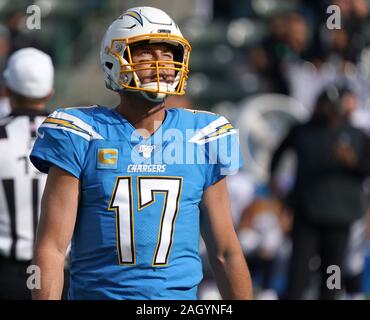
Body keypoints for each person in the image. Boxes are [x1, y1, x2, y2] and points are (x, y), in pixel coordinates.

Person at [30, 6, 253, 300]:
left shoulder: (202, 135)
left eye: (167, 53)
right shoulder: (82, 132)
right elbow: (52, 248)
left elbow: (225, 251)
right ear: (115, 60)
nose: (159, 63)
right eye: (146, 53)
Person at [270, 85, 370, 300]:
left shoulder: (357, 135)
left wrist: (353, 162)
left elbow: (366, 169)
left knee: (333, 270)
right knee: (299, 272)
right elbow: (277, 156)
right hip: (307, 213)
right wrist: (276, 189)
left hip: (340, 217)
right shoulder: (303, 131)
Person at [0, 48, 54, 299]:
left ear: (7, 90)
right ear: (50, 91)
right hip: (60, 274)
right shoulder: (75, 137)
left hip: (7, 273)